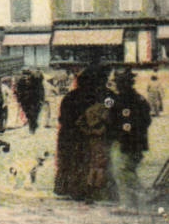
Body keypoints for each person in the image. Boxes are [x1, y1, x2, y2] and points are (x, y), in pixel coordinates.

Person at [55, 66, 111, 201]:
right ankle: (86, 191)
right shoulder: (101, 97)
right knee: (84, 164)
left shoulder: (70, 96)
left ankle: (69, 189)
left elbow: (62, 118)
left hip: (70, 136)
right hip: (81, 136)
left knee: (71, 164)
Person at [104, 68, 151, 213]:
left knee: (123, 171)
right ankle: (130, 203)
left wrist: (122, 137)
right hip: (131, 140)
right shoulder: (135, 98)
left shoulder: (127, 100)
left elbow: (127, 123)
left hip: (126, 141)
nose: (115, 85)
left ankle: (135, 202)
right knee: (122, 172)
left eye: (117, 81)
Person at [14, 68, 45, 133]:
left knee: (34, 113)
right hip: (24, 100)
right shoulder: (20, 82)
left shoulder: (35, 81)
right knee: (28, 114)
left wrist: (41, 98)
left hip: (35, 100)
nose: (26, 77)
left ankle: (32, 126)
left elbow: (40, 89)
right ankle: (33, 123)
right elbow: (18, 91)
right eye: (25, 75)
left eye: (28, 75)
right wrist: (19, 99)